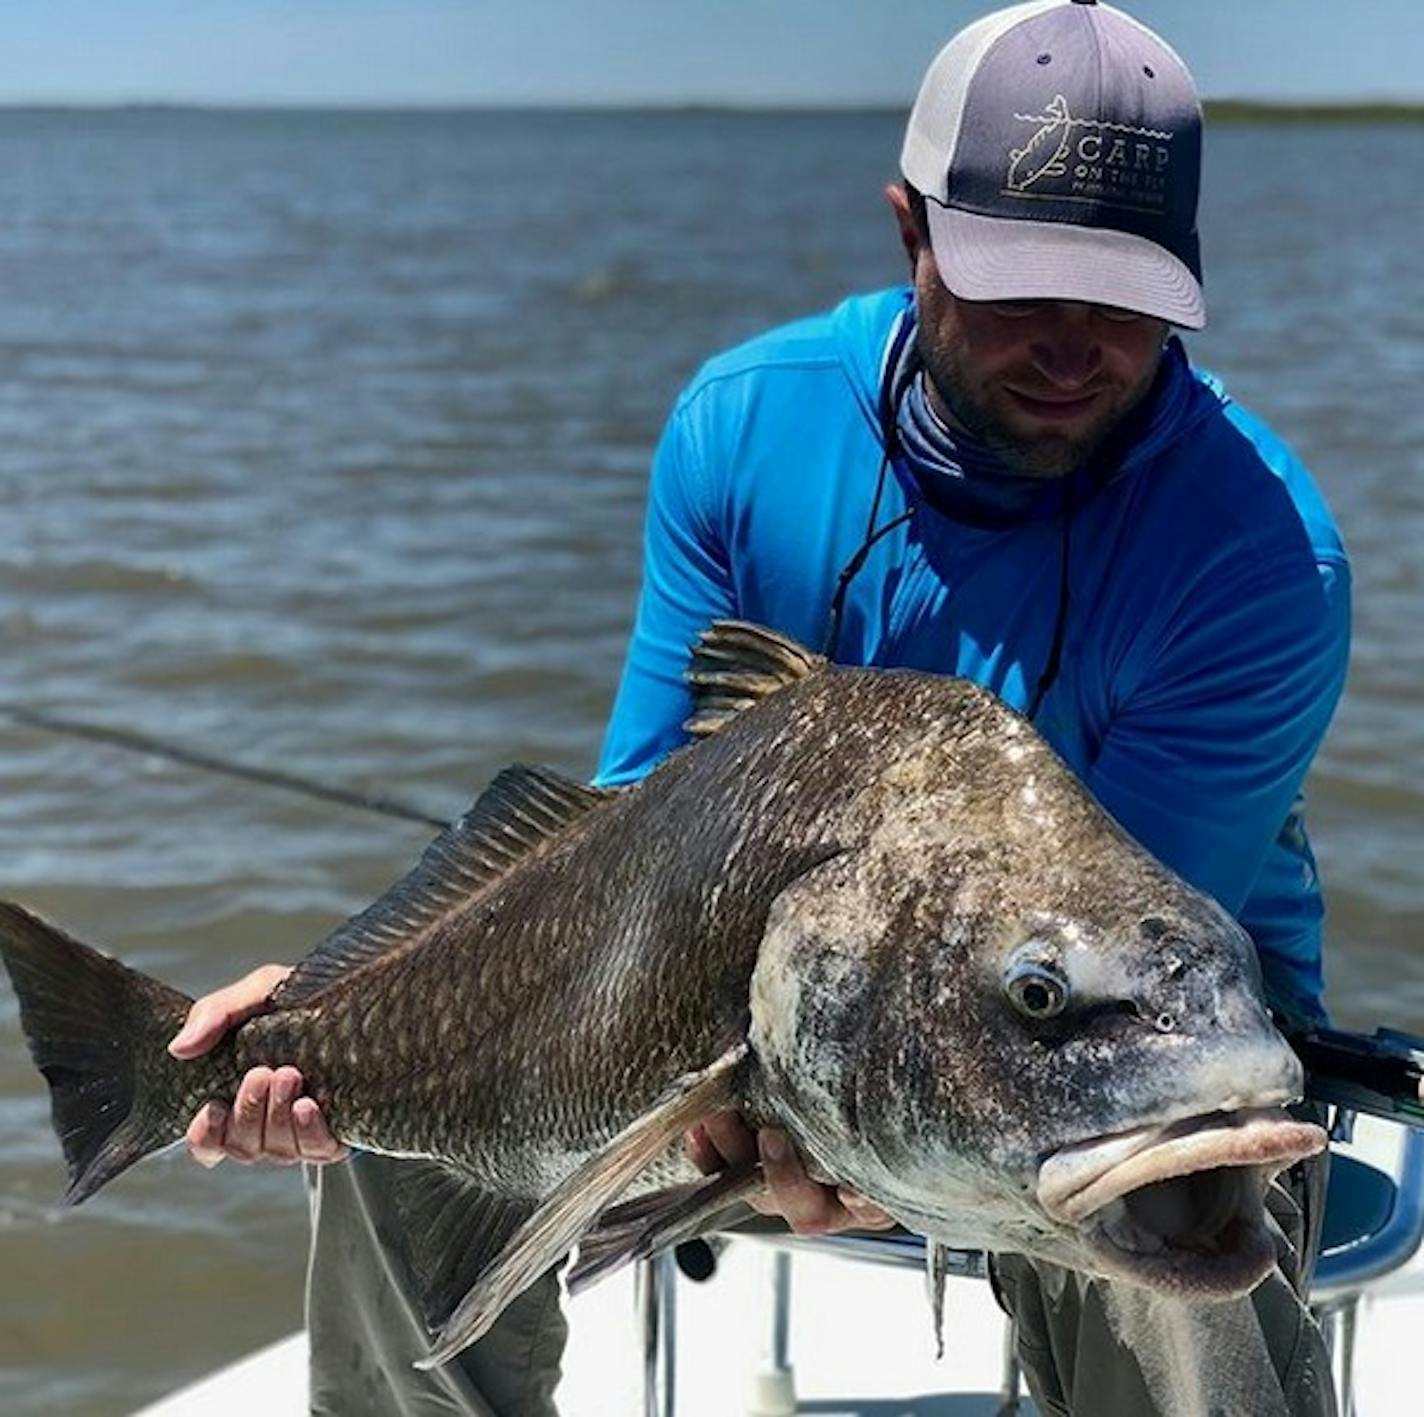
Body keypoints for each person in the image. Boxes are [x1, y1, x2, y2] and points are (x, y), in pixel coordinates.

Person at [170, 1, 1350, 1413]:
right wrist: (334, 1013)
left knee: (1182, 1205)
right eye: (1020, 285)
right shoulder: (745, 427)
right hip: (759, 1040)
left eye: (1124, 296)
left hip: (1069, 1054)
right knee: (412, 1129)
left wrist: (858, 1133)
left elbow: (1099, 982)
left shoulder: (1263, 556)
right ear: (910, 229)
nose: (1073, 342)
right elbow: (632, 856)